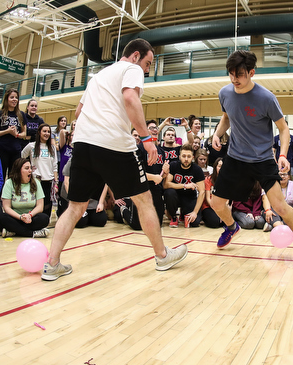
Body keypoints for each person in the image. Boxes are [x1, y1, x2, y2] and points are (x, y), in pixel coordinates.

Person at [46, 38, 188, 280]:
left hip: (83, 144)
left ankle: (52, 264)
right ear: (135, 56)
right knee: (143, 200)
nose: (147, 69)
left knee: (75, 207)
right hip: (113, 144)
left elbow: (78, 113)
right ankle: (162, 256)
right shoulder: (131, 69)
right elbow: (131, 99)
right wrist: (146, 138)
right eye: (147, 63)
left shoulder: (98, 77)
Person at [209, 50, 293, 261]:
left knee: (281, 206)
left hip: (263, 160)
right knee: (217, 203)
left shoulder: (266, 98)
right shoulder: (225, 93)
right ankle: (231, 227)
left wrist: (282, 154)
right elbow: (227, 117)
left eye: (239, 74)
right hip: (236, 158)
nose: (234, 79)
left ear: (251, 72)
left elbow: (283, 129)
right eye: (231, 74)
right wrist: (217, 134)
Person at [0, 157, 50, 238]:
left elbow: (40, 206)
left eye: (30, 168)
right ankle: (32, 233)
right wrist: (20, 217)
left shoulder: (36, 182)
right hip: (16, 218)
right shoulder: (9, 183)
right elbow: (6, 208)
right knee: (0, 217)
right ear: (18, 171)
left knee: (44, 218)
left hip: (31, 218)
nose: (30, 171)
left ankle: (14, 231)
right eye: (26, 168)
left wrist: (30, 215)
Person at [21, 123, 57, 217]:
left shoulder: (52, 148)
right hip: (36, 180)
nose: (47, 133)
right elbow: (22, 157)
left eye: (48, 131)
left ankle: (45, 223)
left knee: (47, 204)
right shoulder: (31, 146)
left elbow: (54, 166)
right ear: (39, 133)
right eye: (44, 131)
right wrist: (29, 167)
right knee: (36, 204)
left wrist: (56, 182)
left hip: (48, 180)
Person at [164, 144, 204, 228]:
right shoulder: (174, 165)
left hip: (189, 197)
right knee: (169, 192)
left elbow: (202, 192)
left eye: (189, 156)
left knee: (195, 223)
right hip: (175, 196)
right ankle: (174, 217)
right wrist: (185, 185)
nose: (186, 159)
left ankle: (183, 212)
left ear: (193, 158)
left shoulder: (197, 169)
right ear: (179, 157)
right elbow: (166, 184)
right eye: (184, 156)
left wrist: (195, 212)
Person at [0, 88, 26, 177]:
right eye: (12, 97)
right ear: (7, 99)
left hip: (16, 150)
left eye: (16, 97)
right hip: (2, 149)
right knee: (0, 175)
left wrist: (16, 135)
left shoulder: (21, 114)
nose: (14, 99)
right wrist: (7, 131)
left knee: (14, 176)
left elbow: (24, 134)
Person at [262, 165, 293, 232]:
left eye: (285, 174)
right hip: (275, 210)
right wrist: (268, 210)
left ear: (289, 176)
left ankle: (272, 226)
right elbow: (265, 198)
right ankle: (279, 226)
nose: (282, 177)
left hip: (289, 209)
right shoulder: (271, 184)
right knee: (270, 213)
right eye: (280, 174)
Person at [199, 158, 223, 228]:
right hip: (209, 206)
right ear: (215, 167)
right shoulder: (208, 180)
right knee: (214, 222)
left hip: (222, 207)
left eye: (223, 167)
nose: (221, 169)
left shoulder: (227, 181)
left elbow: (227, 199)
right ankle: (204, 217)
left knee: (228, 222)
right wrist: (216, 209)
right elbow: (207, 199)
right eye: (219, 166)